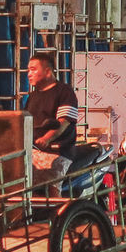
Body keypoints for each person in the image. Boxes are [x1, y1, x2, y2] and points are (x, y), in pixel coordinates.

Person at [24, 52, 79, 183]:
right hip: (35, 151)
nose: (29, 74)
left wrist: (46, 139)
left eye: (33, 69)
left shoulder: (65, 92)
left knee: (50, 177)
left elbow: (63, 122)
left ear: (48, 72)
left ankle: (56, 202)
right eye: (28, 70)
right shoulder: (32, 96)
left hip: (58, 152)